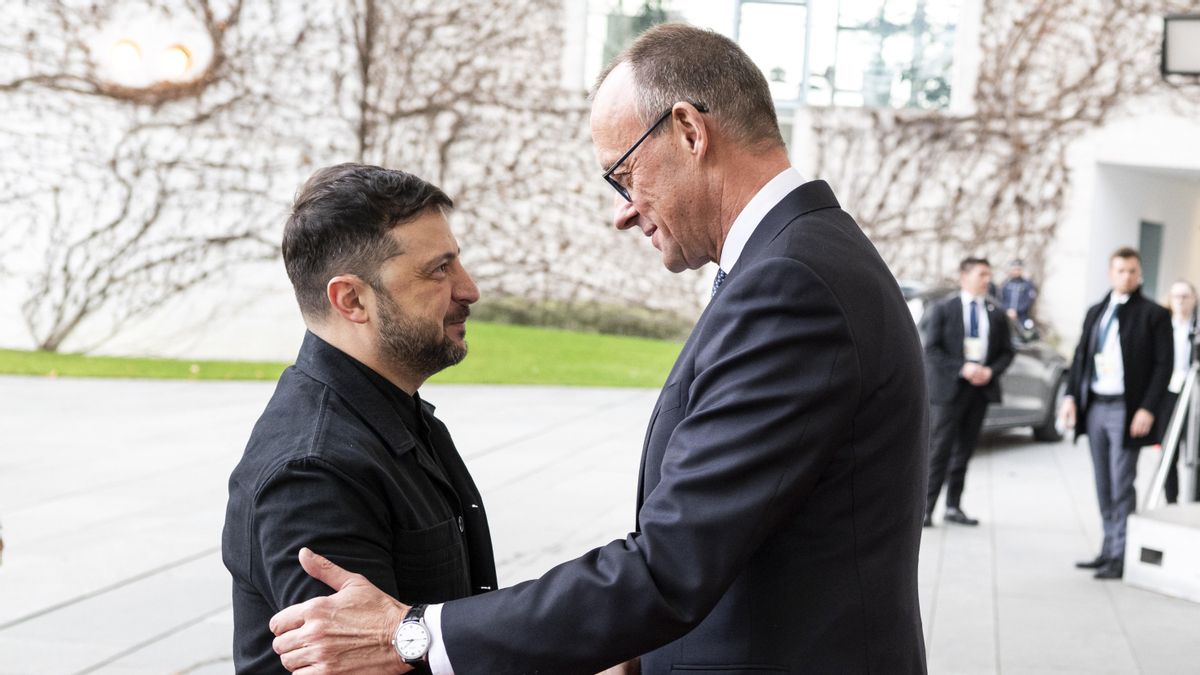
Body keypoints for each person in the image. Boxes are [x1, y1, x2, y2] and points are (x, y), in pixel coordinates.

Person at [268, 23, 929, 675]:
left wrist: (414, 635)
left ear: (690, 132)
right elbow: (752, 532)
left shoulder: (791, 285)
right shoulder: (799, 260)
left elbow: (671, 565)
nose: (623, 210)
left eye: (623, 175)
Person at [221, 164, 496, 672]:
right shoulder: (314, 470)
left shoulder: (392, 414)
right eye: (439, 270)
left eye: (457, 263)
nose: (468, 288)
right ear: (352, 300)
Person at [1060, 247, 1172, 580]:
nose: (1127, 276)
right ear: (1111, 273)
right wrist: (1069, 397)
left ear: (1140, 274)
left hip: (1127, 408)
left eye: (1133, 271)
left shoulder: (1153, 314)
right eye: (1121, 270)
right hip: (1095, 405)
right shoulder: (1097, 311)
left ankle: (1121, 554)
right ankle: (1108, 548)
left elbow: (1163, 366)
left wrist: (1148, 409)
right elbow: (1081, 356)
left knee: (1122, 483)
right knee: (1102, 482)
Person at [921, 258, 1015, 527]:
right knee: (939, 450)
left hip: (979, 392)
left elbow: (1007, 352)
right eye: (982, 274)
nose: (987, 279)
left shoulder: (995, 313)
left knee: (964, 452)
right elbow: (932, 350)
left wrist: (990, 371)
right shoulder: (943, 309)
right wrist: (963, 368)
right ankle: (925, 509)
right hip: (949, 391)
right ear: (964, 276)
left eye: (989, 274)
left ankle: (954, 506)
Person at [1158, 280, 1198, 504]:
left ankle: (1194, 500)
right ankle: (1171, 500)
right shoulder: (1163, 327)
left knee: (1193, 451)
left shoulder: (1196, 327)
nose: (1181, 301)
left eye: (1186, 296)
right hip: (1170, 394)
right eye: (1177, 296)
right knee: (1168, 451)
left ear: (1194, 299)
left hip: (1194, 394)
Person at [1000, 258, 1037, 325]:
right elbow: (1001, 299)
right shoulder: (1005, 284)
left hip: (1022, 317)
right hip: (1006, 316)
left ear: (1022, 270)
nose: (1016, 271)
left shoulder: (1028, 284)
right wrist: (1008, 310)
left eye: (1018, 269)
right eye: (1014, 269)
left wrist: (1017, 311)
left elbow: (1028, 301)